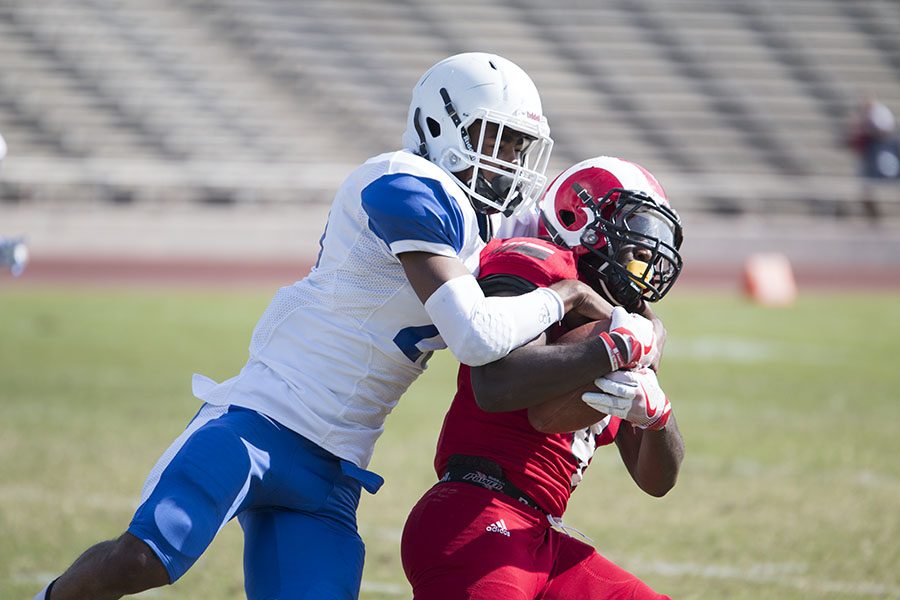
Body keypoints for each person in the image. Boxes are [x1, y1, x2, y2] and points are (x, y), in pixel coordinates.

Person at [34, 53, 612, 600]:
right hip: (259, 422)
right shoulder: (401, 181)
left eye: (519, 146)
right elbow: (475, 334)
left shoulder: (489, 225)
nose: (509, 160)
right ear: (443, 126)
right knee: (146, 559)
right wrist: (566, 296)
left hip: (334, 467)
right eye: (496, 139)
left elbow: (577, 236)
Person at [401, 156, 686, 599]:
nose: (648, 252)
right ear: (581, 220)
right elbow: (494, 385)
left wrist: (659, 417)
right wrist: (612, 348)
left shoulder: (626, 325)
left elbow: (656, 481)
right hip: (475, 514)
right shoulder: (537, 265)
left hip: (539, 536)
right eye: (637, 233)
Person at [846, 98, 900, 221]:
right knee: (866, 189)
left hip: (882, 168)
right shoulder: (868, 137)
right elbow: (856, 141)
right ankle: (874, 220)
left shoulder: (891, 141)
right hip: (874, 169)